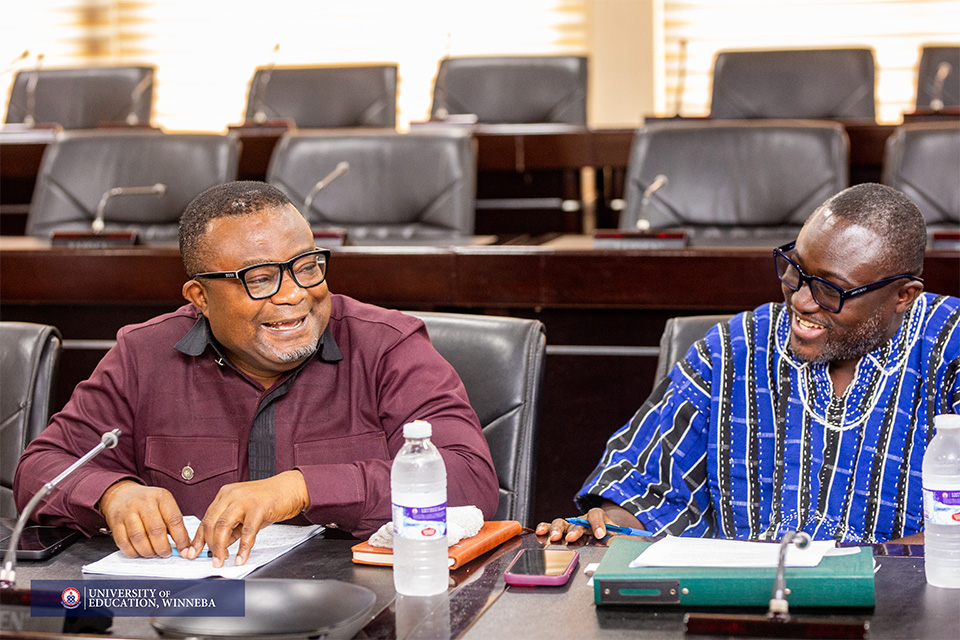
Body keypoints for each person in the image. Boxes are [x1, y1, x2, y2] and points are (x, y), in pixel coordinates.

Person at [14, 181, 499, 567]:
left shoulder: (388, 345)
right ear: (200, 298)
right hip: (195, 611)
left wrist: (300, 489)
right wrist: (111, 494)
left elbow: (469, 478)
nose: (294, 295)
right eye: (260, 279)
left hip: (356, 606)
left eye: (306, 267)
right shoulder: (143, 355)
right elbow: (41, 467)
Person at [537, 183, 960, 544]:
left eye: (831, 290)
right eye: (796, 270)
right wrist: (607, 527)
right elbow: (646, 487)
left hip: (899, 606)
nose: (800, 300)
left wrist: (847, 574)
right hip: (743, 604)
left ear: (903, 295)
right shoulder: (734, 347)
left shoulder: (950, 348)